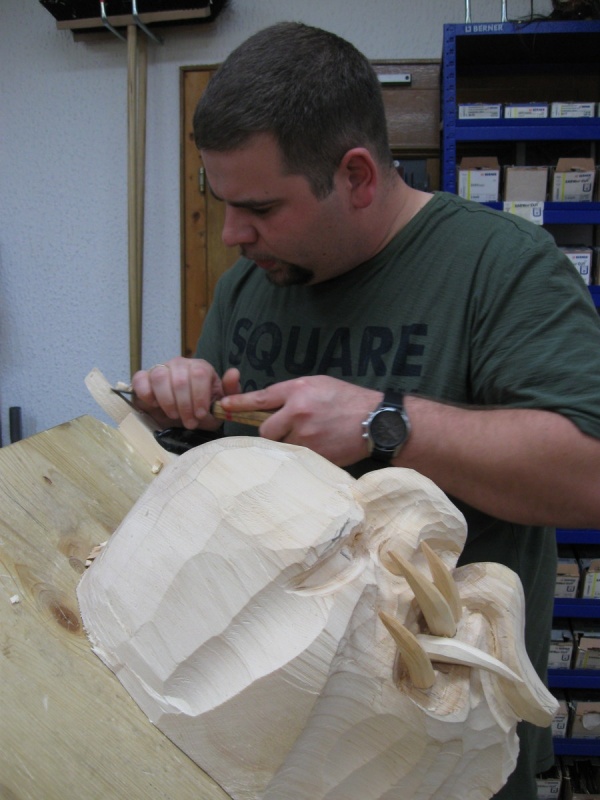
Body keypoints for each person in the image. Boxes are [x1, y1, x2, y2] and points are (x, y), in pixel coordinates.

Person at [132, 21, 600, 798]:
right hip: (268, 738)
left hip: (439, 753)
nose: (233, 234)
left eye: (260, 207)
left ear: (355, 176)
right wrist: (183, 412)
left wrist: (383, 422)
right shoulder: (253, 282)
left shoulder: (501, 268)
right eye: (222, 203)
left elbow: (588, 475)